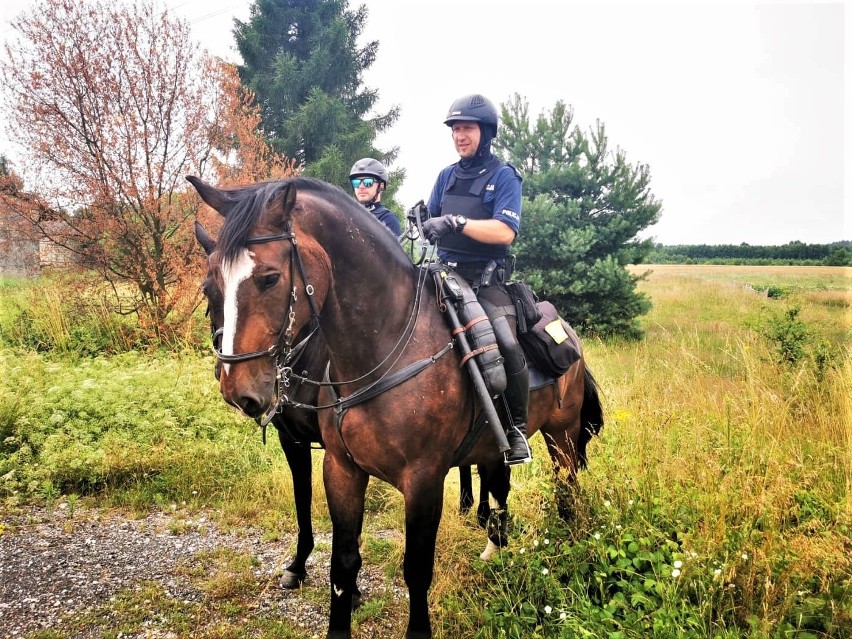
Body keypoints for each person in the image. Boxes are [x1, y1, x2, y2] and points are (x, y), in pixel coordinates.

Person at [421, 93, 532, 466]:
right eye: (454, 129)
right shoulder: (446, 177)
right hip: (444, 278)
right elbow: (432, 225)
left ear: (486, 132)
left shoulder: (504, 176)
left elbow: (505, 233)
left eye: (466, 128)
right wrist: (424, 220)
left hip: (488, 283)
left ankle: (516, 428)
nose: (459, 136)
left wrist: (458, 222)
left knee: (507, 344)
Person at [349, 158, 402, 236]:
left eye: (368, 182)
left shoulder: (387, 219)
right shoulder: (348, 215)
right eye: (356, 183)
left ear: (381, 185)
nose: (361, 186)